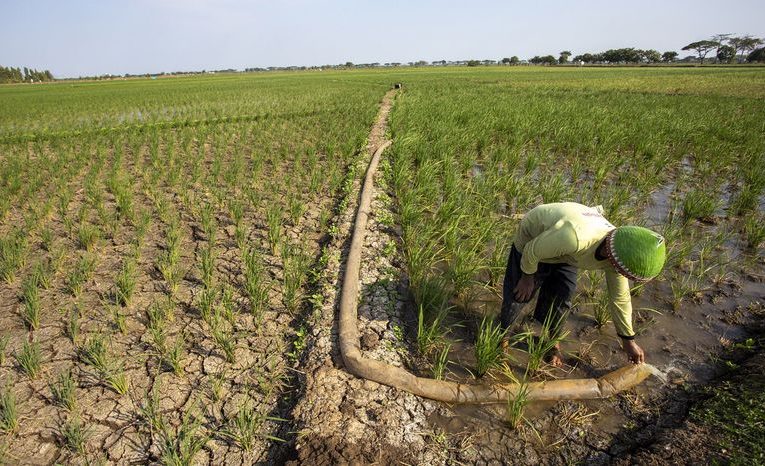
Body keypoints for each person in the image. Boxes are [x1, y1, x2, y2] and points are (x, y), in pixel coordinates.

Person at [500, 202, 666, 366]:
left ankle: (553, 342)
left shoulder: (618, 254)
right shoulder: (575, 238)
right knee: (520, 294)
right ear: (615, 260)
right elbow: (532, 250)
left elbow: (620, 298)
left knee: (562, 296)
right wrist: (527, 277)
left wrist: (628, 340)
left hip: (565, 251)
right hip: (536, 236)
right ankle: (502, 337)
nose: (623, 276)